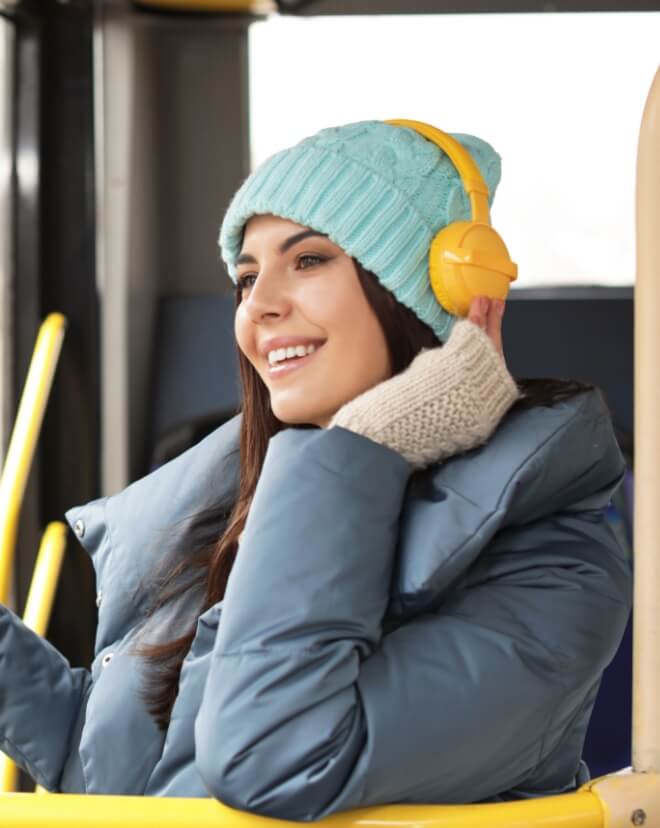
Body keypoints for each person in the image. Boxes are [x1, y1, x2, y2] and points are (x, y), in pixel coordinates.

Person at [0, 119, 631, 819]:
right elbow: (113, 770)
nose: (258, 306)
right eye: (246, 276)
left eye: (308, 261)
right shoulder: (248, 499)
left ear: (434, 291)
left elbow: (273, 756)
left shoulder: (554, 562)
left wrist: (370, 439)